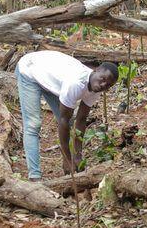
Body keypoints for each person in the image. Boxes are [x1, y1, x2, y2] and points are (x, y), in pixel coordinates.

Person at [16, 50, 119, 181]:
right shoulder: (75, 83)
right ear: (95, 71)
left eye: (108, 85)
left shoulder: (97, 88)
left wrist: (77, 156)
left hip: (51, 79)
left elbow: (81, 120)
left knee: (69, 122)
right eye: (103, 79)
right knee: (33, 125)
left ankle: (71, 168)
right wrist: (67, 158)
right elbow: (63, 120)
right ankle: (35, 177)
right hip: (29, 70)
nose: (103, 85)